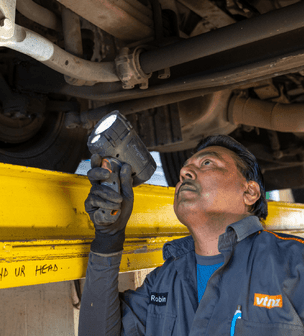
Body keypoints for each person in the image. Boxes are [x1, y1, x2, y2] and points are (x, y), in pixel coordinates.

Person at [79, 135, 304, 336]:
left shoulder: (295, 263)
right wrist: (109, 238)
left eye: (207, 163)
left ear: (250, 192)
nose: (184, 173)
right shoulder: (162, 282)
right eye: (183, 171)